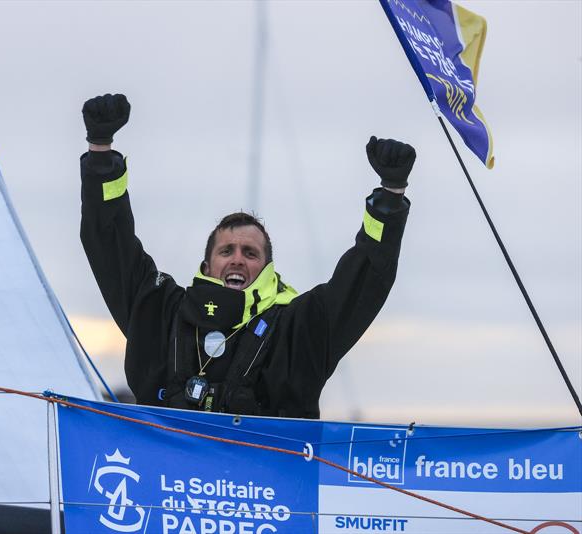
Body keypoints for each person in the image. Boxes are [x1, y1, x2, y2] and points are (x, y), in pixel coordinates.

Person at [80, 93, 414, 419]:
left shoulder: (299, 328)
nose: (238, 259)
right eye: (227, 251)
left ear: (268, 268)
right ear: (208, 266)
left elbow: (365, 280)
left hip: (270, 474)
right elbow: (110, 247)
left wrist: (390, 198)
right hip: (168, 475)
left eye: (250, 253)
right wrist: (100, 154)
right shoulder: (163, 312)